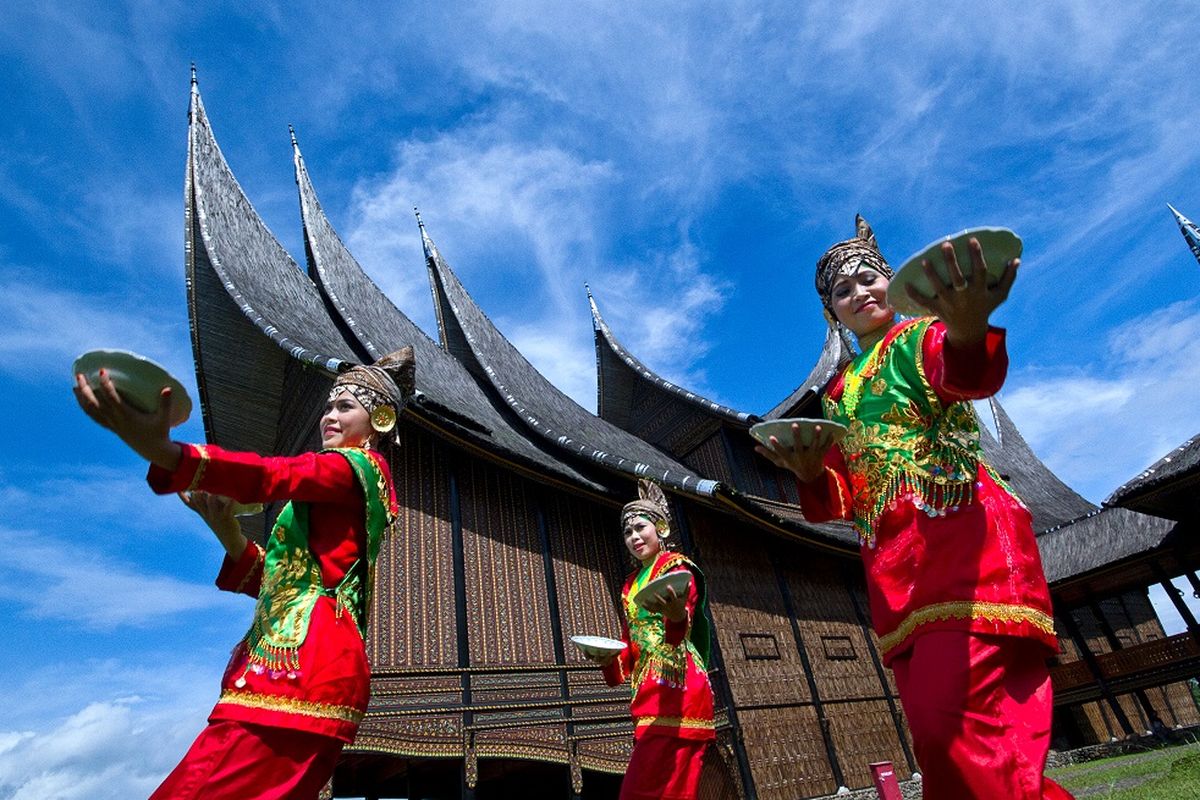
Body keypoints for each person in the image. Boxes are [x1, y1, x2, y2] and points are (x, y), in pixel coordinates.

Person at [755, 216, 1073, 799]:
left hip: (960, 540)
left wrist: (970, 327)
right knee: (939, 736)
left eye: (868, 278)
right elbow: (844, 498)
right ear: (832, 312)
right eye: (842, 290)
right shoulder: (837, 392)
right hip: (893, 570)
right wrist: (808, 473)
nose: (859, 293)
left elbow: (965, 377)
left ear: (890, 282)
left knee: (958, 727)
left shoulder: (921, 336)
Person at [73, 348, 414, 800]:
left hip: (300, 674)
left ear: (381, 419)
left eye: (345, 406)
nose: (329, 415)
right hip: (308, 670)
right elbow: (282, 586)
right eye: (328, 406)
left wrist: (171, 454)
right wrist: (227, 531)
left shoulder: (348, 467)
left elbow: (272, 475)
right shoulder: (349, 485)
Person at [585, 479, 715, 800]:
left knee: (639, 792)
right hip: (646, 693)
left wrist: (674, 614)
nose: (634, 537)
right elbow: (630, 643)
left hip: (678, 689)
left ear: (661, 529)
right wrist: (607, 662)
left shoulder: (677, 568)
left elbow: (679, 630)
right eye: (628, 533)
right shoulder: (630, 584)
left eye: (640, 528)